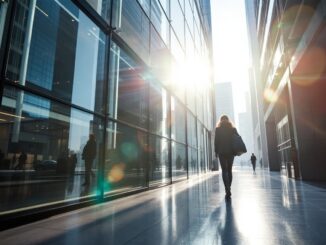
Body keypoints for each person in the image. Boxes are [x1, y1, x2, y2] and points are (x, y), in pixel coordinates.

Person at [214, 115, 239, 198]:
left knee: (224, 170)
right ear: (228, 120)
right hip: (231, 152)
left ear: (220, 121)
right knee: (229, 170)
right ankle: (229, 188)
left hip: (221, 152)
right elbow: (237, 139)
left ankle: (227, 189)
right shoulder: (233, 129)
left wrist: (216, 152)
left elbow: (216, 142)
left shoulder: (218, 130)